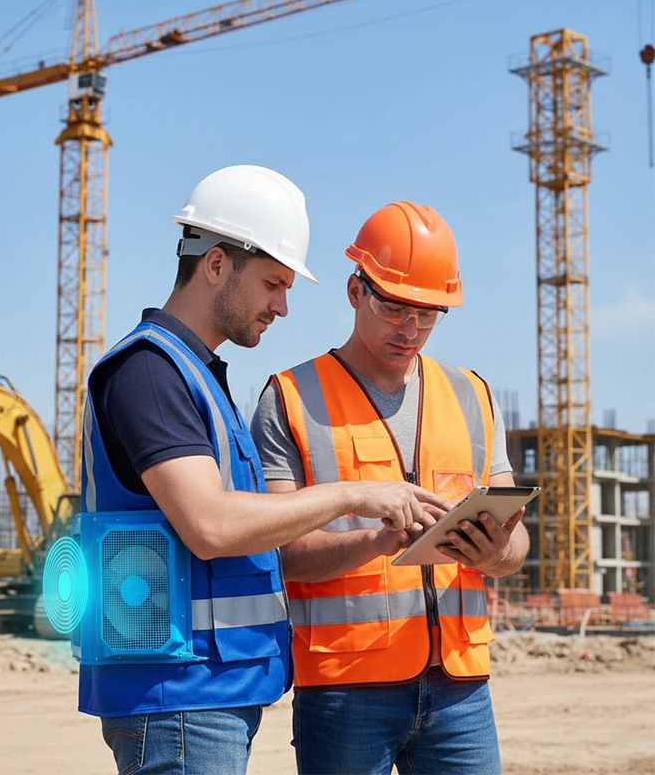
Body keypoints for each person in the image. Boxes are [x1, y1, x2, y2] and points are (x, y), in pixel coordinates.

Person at [78, 168, 451, 775]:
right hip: (177, 699)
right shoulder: (149, 371)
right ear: (217, 264)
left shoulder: (197, 376)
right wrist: (357, 492)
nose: (282, 305)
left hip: (210, 693)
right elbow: (212, 526)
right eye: (275, 283)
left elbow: (253, 541)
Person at [251, 199, 530, 775]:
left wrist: (497, 551)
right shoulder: (291, 399)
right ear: (356, 291)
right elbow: (279, 555)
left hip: (461, 689)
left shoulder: (473, 396)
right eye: (395, 307)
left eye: (428, 314)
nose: (411, 329)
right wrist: (380, 543)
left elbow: (516, 546)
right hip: (345, 691)